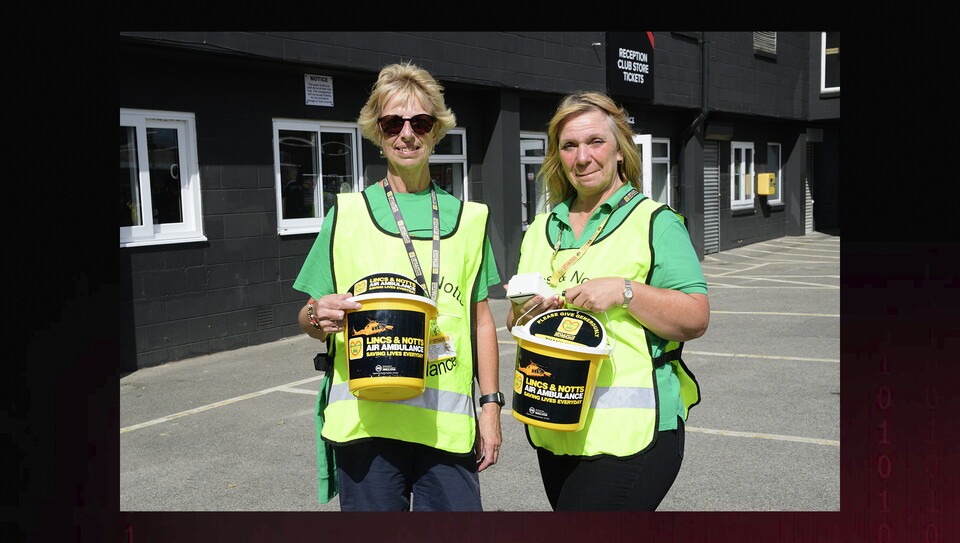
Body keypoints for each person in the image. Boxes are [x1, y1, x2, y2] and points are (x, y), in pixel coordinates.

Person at [293, 62, 503, 511]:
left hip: (444, 428)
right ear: (377, 130)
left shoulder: (469, 219)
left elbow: (481, 321)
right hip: (367, 426)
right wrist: (317, 316)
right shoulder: (346, 216)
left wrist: (490, 408)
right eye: (393, 122)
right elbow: (309, 316)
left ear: (436, 130)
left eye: (420, 122)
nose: (407, 134)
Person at [506, 92, 709, 511]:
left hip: (633, 432)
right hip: (556, 424)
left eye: (596, 142)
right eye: (569, 146)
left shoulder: (655, 221)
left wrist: (625, 291)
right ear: (557, 156)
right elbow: (516, 321)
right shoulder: (542, 228)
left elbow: (695, 317)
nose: (583, 157)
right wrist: (522, 313)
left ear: (620, 150)